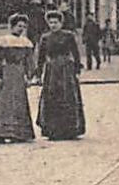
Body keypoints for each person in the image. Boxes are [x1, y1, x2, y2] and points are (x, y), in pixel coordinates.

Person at [0, 13, 36, 143]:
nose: (21, 29)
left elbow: (30, 61)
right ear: (12, 26)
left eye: (23, 27)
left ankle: (18, 133)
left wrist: (29, 76)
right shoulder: (3, 41)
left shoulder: (26, 42)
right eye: (19, 26)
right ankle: (0, 133)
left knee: (19, 101)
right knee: (3, 101)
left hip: (19, 74)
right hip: (6, 72)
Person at [37, 10, 86, 141]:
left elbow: (75, 53)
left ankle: (70, 129)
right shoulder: (45, 38)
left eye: (56, 22)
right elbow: (41, 57)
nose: (53, 25)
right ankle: (52, 130)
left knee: (68, 97)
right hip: (52, 70)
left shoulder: (68, 36)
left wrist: (76, 69)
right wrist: (38, 73)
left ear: (61, 23)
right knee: (52, 97)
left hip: (66, 70)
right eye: (51, 22)